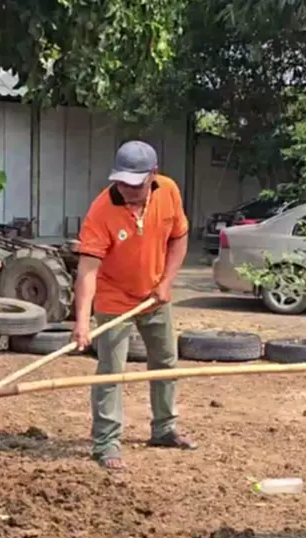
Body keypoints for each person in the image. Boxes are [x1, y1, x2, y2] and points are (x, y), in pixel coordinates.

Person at [72, 140, 197, 472]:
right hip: (114, 298)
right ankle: (106, 443)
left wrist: (166, 282)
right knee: (111, 372)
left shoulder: (168, 191)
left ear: (153, 175)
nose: (127, 189)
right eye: (122, 182)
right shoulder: (101, 211)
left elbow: (180, 237)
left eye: (135, 183)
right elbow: (87, 271)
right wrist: (83, 322)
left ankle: (165, 429)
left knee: (165, 362)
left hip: (155, 294)